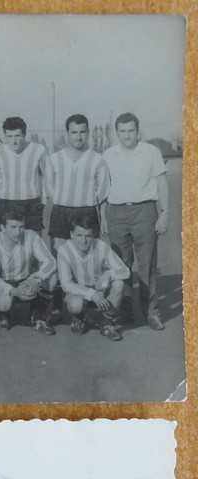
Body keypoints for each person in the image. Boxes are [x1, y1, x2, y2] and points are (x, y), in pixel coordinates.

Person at [102, 112, 169, 330]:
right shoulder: (108, 155)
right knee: (121, 265)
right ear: (117, 132)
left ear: (137, 131)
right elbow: (102, 190)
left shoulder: (151, 152)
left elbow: (161, 183)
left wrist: (165, 212)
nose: (127, 135)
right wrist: (103, 216)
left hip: (144, 212)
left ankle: (151, 312)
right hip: (116, 213)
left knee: (146, 265)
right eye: (122, 131)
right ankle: (126, 310)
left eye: (131, 130)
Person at [0, 205, 57, 334]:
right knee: (4, 304)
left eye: (21, 227)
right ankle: (2, 315)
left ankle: (40, 316)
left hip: (26, 280)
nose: (18, 232)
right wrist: (13, 291)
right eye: (13, 227)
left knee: (52, 277)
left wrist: (36, 279)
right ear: (2, 228)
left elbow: (50, 261)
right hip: (4, 282)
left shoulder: (31, 236)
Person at [57, 213, 130, 341]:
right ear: (71, 234)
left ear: (93, 236)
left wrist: (108, 275)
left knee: (119, 284)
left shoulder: (101, 246)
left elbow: (125, 271)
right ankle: (79, 317)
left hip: (100, 289)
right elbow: (66, 284)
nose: (83, 241)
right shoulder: (64, 250)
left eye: (88, 236)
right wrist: (92, 294)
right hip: (78, 291)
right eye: (79, 235)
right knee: (75, 304)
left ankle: (107, 321)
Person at [46, 114, 110, 252]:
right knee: (59, 255)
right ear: (67, 133)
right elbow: (49, 187)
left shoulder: (98, 160)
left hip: (87, 211)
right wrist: (61, 200)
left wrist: (103, 218)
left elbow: (103, 192)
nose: (78, 136)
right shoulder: (54, 159)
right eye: (74, 132)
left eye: (82, 132)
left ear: (88, 133)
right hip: (61, 212)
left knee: (88, 257)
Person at [0, 116, 47, 232]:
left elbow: (47, 177)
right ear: (5, 136)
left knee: (33, 242)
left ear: (24, 135)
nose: (14, 141)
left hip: (31, 203)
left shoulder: (38, 150)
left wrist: (43, 202)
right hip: (6, 203)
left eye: (17, 136)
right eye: (9, 136)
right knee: (6, 245)